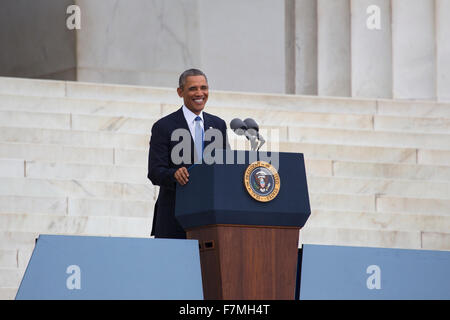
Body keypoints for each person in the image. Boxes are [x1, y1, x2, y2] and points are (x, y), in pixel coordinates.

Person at [147, 69, 229, 239]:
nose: (199, 93)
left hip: (209, 218)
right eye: (193, 89)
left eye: (203, 88)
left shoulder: (218, 125)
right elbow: (155, 172)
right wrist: (174, 174)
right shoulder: (163, 126)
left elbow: (224, 167)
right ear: (180, 92)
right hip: (174, 217)